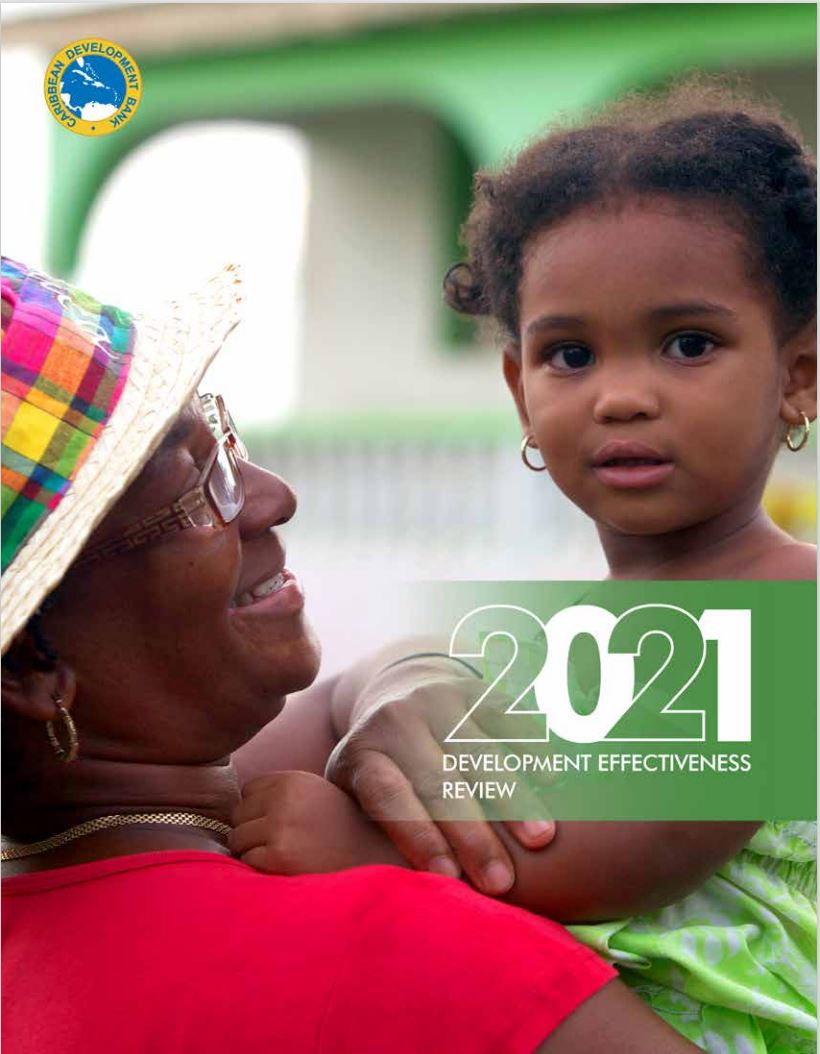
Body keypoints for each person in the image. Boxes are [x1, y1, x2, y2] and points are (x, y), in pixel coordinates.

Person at [231, 76, 817, 1053]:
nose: (622, 396)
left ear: (796, 376)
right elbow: (247, 774)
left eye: (686, 343)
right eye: (569, 355)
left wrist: (363, 845)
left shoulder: (787, 599)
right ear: (517, 387)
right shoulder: (547, 636)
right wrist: (358, 696)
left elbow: (635, 852)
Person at [0, 256, 702, 1053]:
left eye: (225, 439)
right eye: (200, 485)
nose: (273, 497)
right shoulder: (410, 953)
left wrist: (395, 672)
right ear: (29, 664)